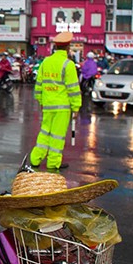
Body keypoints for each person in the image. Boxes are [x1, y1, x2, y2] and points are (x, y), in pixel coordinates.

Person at [30, 31, 82, 171]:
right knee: (57, 136)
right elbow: (73, 89)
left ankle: (35, 159)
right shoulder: (68, 64)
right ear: (67, 47)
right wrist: (76, 107)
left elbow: (39, 84)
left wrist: (40, 101)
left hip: (47, 105)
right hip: (62, 107)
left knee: (45, 132)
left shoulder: (45, 62)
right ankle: (53, 163)